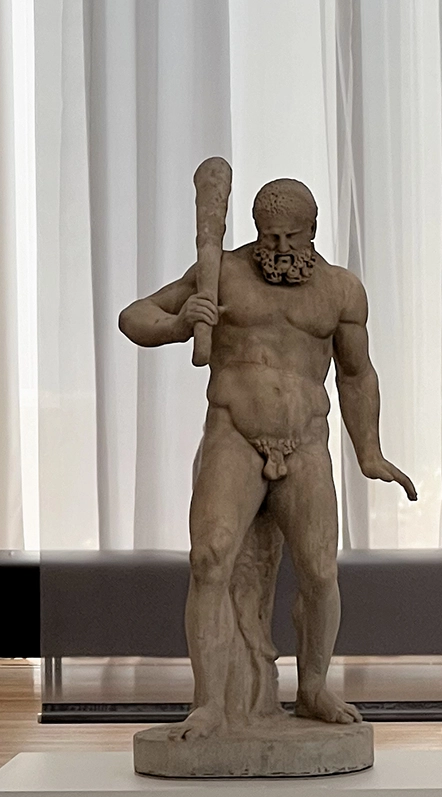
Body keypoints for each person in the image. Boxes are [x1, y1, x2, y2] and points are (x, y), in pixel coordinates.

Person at [119, 177, 416, 742]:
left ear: (314, 229)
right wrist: (180, 324)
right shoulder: (223, 271)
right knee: (209, 560)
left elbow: (356, 373)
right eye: (269, 236)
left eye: (291, 236)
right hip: (234, 433)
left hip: (305, 440)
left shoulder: (340, 290)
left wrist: (370, 450)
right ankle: (209, 703)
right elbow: (134, 317)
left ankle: (314, 686)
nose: (279, 248)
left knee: (321, 572)